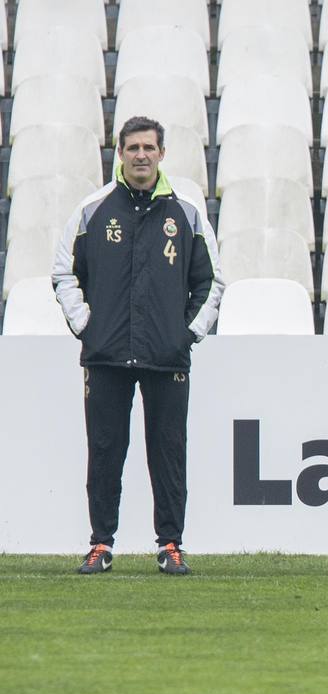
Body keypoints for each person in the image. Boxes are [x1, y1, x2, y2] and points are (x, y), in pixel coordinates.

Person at [52, 116, 224, 576]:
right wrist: (86, 325)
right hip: (106, 356)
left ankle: (170, 544)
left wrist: (186, 333)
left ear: (162, 154)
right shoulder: (92, 210)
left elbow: (211, 281)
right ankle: (101, 543)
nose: (141, 155)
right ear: (120, 153)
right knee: (105, 451)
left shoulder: (186, 212)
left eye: (150, 147)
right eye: (133, 148)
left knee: (168, 452)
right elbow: (64, 272)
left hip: (166, 357)